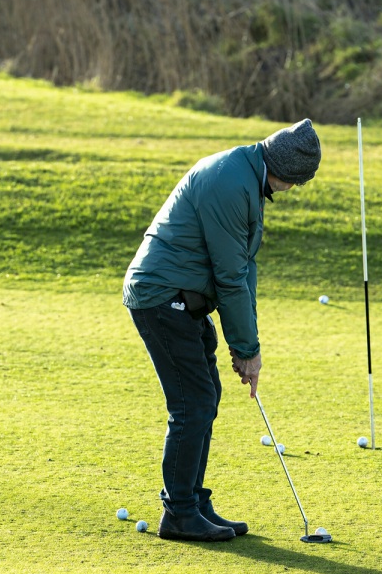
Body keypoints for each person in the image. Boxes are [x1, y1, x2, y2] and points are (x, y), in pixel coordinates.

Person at [123, 119, 321, 542]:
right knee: (192, 403)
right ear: (287, 171)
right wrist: (247, 350)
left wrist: (246, 345)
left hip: (183, 296)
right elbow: (230, 276)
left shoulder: (246, 176)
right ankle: (178, 513)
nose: (295, 190)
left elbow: (244, 271)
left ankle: (192, 500)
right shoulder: (233, 184)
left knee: (205, 396)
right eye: (299, 182)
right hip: (161, 295)